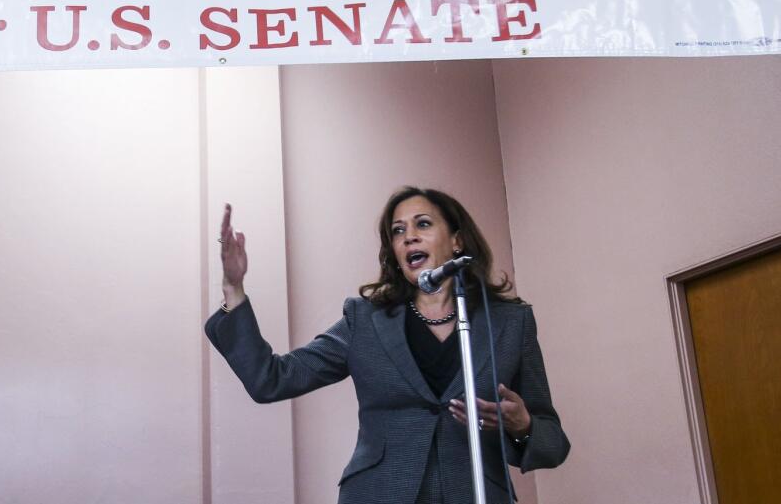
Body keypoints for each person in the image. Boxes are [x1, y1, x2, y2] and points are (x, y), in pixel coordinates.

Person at [205, 187, 570, 504]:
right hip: (379, 493)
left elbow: (553, 443)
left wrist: (522, 424)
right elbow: (272, 378)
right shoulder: (364, 320)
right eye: (398, 231)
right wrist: (233, 290)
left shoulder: (510, 322)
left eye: (423, 224)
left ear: (457, 240)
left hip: (475, 494)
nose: (409, 236)